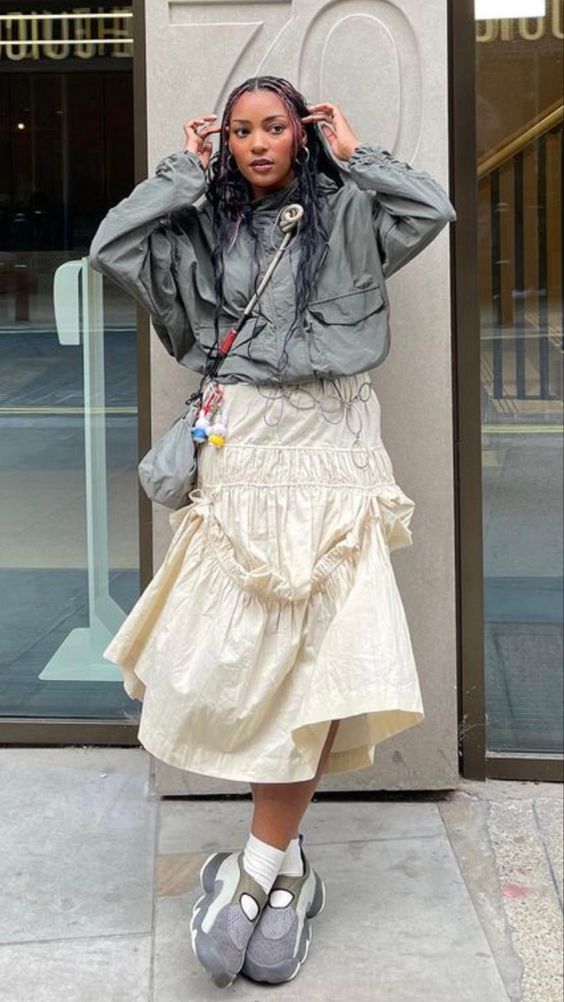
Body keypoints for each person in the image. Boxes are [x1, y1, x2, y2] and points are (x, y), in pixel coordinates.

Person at [89, 75, 456, 990]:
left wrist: (352, 149)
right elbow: (112, 245)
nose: (259, 143)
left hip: (334, 447)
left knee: (324, 658)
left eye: (276, 127)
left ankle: (253, 875)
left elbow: (434, 209)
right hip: (247, 447)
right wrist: (184, 169)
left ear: (302, 133)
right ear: (226, 140)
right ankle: (285, 873)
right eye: (242, 131)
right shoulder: (202, 226)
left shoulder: (352, 212)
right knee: (257, 660)